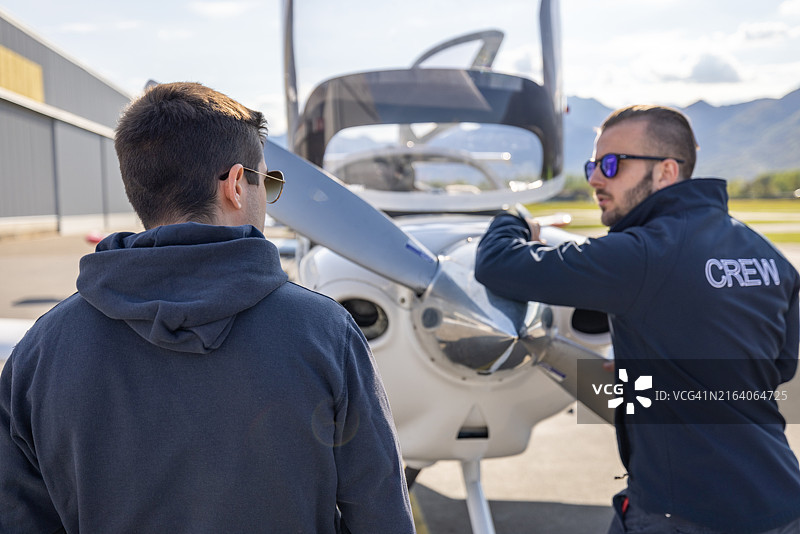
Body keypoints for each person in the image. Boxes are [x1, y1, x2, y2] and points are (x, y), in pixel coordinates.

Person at [0, 82, 415, 534]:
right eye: (267, 180)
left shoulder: (41, 350)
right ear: (237, 185)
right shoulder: (327, 332)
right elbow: (380, 514)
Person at [475, 105, 800, 533]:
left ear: (666, 171)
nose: (594, 179)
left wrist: (514, 218)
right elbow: (777, 367)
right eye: (593, 164)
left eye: (612, 165)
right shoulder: (767, 256)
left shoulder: (643, 253)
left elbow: (497, 264)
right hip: (780, 501)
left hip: (685, 513)